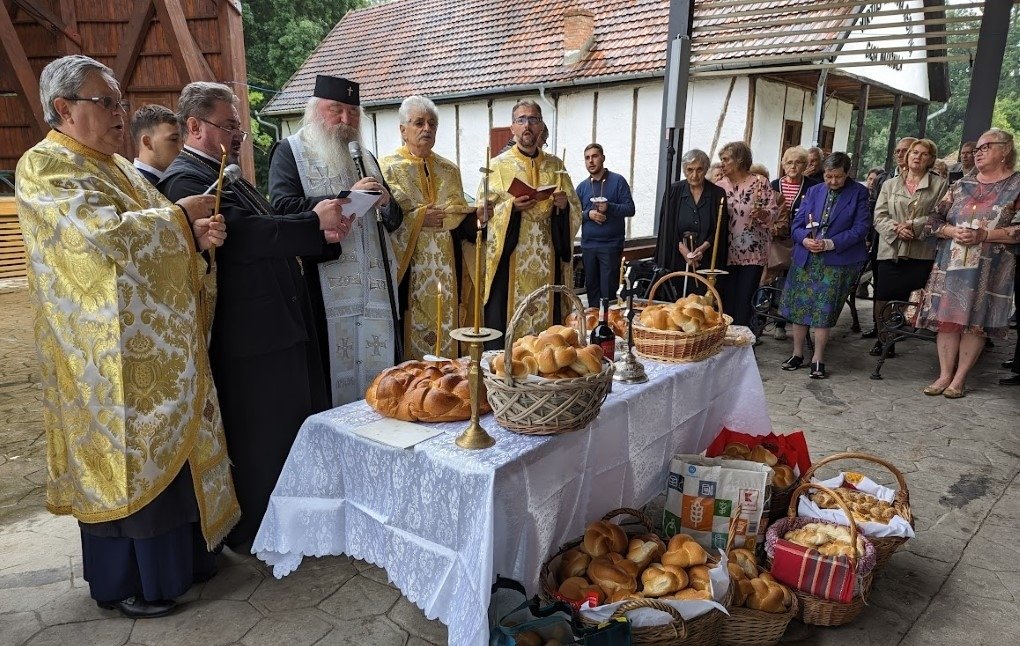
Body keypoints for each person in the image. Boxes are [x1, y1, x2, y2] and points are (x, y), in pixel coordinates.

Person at [16, 55, 238, 618]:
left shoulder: (114, 167)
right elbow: (97, 240)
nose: (121, 114)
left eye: (120, 101)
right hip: (101, 357)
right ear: (64, 109)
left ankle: (186, 563)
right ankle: (139, 581)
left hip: (153, 349)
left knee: (168, 452)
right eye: (106, 102)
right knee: (126, 460)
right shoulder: (45, 167)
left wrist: (195, 234)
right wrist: (178, 222)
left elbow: (159, 236)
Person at [160, 81, 346, 550]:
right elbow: (245, 236)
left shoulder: (227, 172)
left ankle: (293, 519)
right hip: (248, 334)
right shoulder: (185, 179)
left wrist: (319, 234)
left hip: (277, 324)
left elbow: (266, 230)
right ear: (195, 126)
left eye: (240, 125)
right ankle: (262, 531)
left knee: (290, 427)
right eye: (229, 125)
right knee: (262, 436)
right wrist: (313, 221)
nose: (239, 134)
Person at [269, 75, 403, 405]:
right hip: (324, 288)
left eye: (353, 113)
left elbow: (395, 220)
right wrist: (345, 197)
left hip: (374, 293)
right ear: (316, 111)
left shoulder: (366, 158)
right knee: (331, 377)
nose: (346, 120)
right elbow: (282, 209)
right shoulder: (291, 152)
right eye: (336, 110)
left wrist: (385, 201)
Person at [918, 128, 1020, 398]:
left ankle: (959, 379)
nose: (978, 153)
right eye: (977, 149)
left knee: (976, 322)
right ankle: (943, 375)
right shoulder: (961, 185)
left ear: (1005, 150)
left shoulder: (1016, 185)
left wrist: (984, 235)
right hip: (951, 265)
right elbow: (933, 221)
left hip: (991, 267)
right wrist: (951, 232)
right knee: (947, 320)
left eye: (986, 147)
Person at [481, 100, 581, 343]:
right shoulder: (497, 166)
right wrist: (510, 208)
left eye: (534, 120)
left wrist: (563, 206)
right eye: (521, 120)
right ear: (512, 128)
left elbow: (576, 209)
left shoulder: (556, 165)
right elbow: (483, 214)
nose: (528, 125)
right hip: (511, 261)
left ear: (541, 127)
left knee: (549, 337)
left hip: (548, 259)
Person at [379, 95, 471, 360]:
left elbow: (459, 215)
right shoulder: (388, 168)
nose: (427, 129)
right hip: (409, 272)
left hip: (447, 270)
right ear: (402, 130)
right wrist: (420, 218)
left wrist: (476, 217)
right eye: (418, 123)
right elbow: (387, 219)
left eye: (432, 123)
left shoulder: (449, 169)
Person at [779, 152, 871, 379]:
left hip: (836, 261)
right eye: (828, 176)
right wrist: (804, 239)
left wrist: (830, 243)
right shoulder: (814, 191)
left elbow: (861, 229)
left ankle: (818, 358)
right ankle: (797, 354)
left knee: (824, 309)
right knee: (800, 307)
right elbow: (797, 224)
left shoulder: (859, 193)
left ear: (847, 173)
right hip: (807, 258)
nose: (832, 181)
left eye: (837, 177)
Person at [871, 138, 948, 357]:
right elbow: (879, 215)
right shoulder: (890, 184)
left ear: (931, 160)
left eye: (924, 154)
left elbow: (939, 214)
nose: (917, 156)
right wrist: (896, 229)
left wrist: (913, 226)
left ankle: (897, 330)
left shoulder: (939, 184)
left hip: (920, 250)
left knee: (908, 297)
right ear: (907, 155)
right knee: (883, 296)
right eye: (914, 152)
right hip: (891, 248)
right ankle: (884, 339)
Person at [716, 141, 778, 326]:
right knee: (725, 300)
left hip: (752, 253)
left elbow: (773, 213)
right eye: (721, 160)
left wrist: (763, 214)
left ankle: (742, 344)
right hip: (724, 252)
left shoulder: (760, 184)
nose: (722, 164)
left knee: (744, 300)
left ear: (739, 160)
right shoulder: (719, 186)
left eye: (726, 159)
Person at [653, 148, 729, 300]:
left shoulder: (717, 193)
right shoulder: (673, 191)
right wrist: (685, 252)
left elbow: (720, 229)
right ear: (684, 170)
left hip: (706, 260)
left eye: (699, 169)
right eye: (690, 170)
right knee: (675, 304)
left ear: (706, 169)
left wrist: (701, 250)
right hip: (677, 258)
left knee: (701, 305)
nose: (694, 175)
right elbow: (667, 227)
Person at [863, 136, 918, 339]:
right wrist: (870, 237)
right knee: (881, 290)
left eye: (907, 150)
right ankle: (881, 333)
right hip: (883, 241)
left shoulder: (928, 180)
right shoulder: (883, 179)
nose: (901, 154)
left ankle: (898, 326)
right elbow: (874, 210)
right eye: (898, 151)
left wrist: (911, 226)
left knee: (904, 291)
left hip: (914, 244)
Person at [768, 146, 819, 340]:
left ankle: (791, 318)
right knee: (775, 280)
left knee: (794, 281)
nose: (793, 166)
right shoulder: (773, 184)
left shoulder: (812, 187)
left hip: (801, 241)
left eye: (798, 162)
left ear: (805, 165)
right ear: (783, 164)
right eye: (789, 162)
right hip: (776, 242)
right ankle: (777, 321)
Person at [576, 143, 635, 306]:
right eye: (587, 158)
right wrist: (588, 214)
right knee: (592, 288)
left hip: (610, 245)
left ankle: (608, 327)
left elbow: (630, 209)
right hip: (588, 245)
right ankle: (594, 325)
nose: (591, 161)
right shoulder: (582, 187)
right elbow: (573, 215)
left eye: (594, 156)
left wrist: (610, 207)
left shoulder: (617, 181)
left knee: (608, 290)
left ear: (602, 158)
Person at [130, 104, 182, 184]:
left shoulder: (176, 177)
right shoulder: (132, 183)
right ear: (147, 142)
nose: (181, 149)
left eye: (181, 140)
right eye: (174, 139)